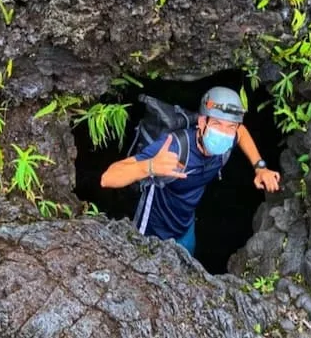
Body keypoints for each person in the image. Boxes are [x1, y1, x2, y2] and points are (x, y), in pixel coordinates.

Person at [100, 86, 281, 255]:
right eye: (217, 124)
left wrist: (260, 167)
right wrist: (150, 166)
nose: (224, 132)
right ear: (202, 122)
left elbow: (241, 132)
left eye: (230, 127)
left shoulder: (228, 141)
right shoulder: (175, 148)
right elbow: (108, 178)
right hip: (153, 228)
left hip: (185, 225)